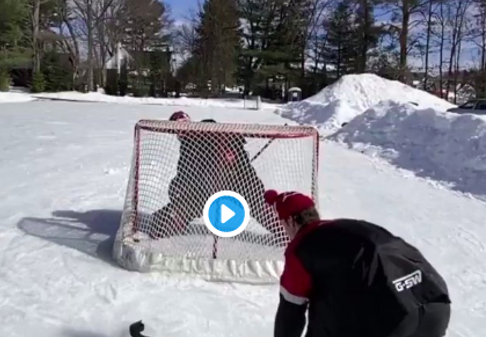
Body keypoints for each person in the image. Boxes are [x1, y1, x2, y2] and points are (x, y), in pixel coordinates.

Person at [265, 189, 451, 337]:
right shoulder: (351, 228)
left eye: (281, 224)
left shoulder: (301, 247)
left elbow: (291, 311)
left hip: (389, 321)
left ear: (289, 221)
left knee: (323, 308)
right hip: (434, 305)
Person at [148, 112, 280, 241]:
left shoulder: (220, 136)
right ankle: (164, 228)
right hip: (205, 192)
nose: (182, 131)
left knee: (259, 208)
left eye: (184, 124)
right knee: (177, 213)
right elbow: (185, 174)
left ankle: (287, 233)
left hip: (238, 187)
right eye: (178, 129)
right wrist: (176, 188)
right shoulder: (188, 146)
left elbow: (246, 171)